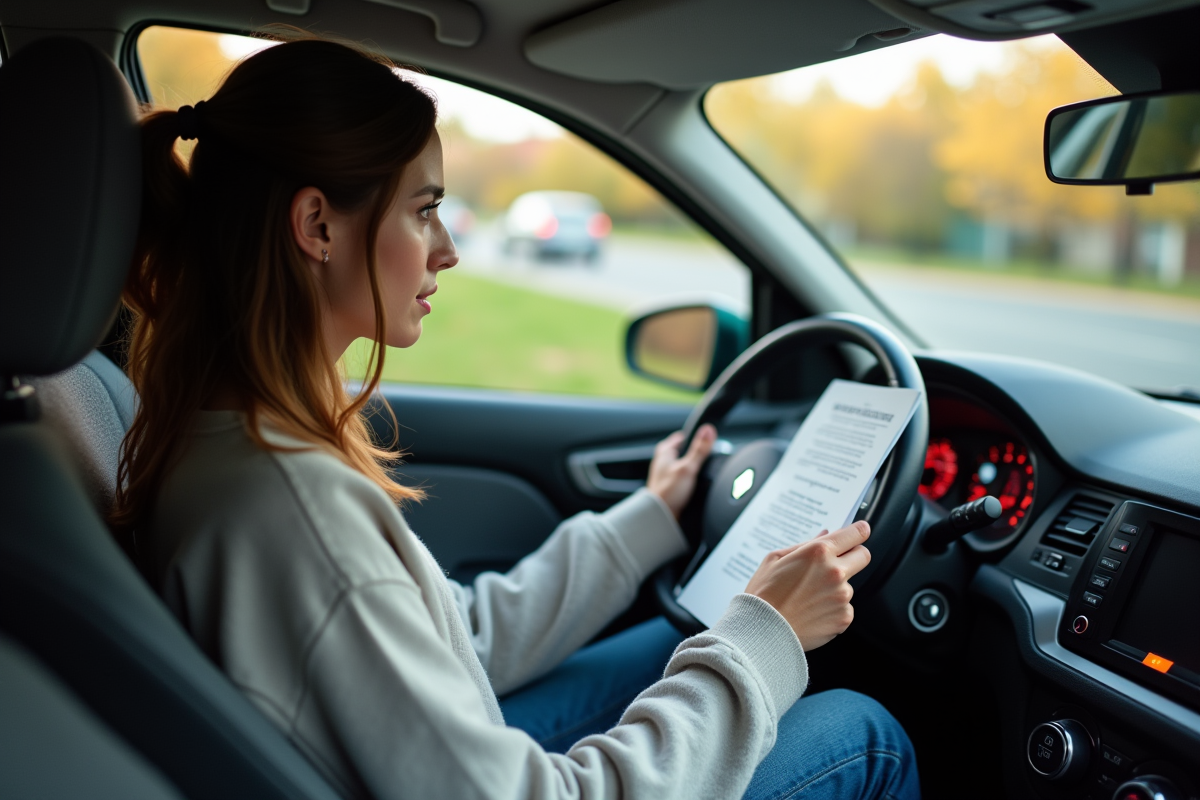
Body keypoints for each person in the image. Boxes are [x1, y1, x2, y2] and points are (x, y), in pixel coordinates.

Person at [112, 32, 920, 800]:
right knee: (863, 735)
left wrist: (651, 518)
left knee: (675, 639)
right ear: (318, 225)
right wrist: (765, 632)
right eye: (422, 209)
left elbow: (457, 640)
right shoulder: (297, 514)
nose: (447, 249)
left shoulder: (234, 441)